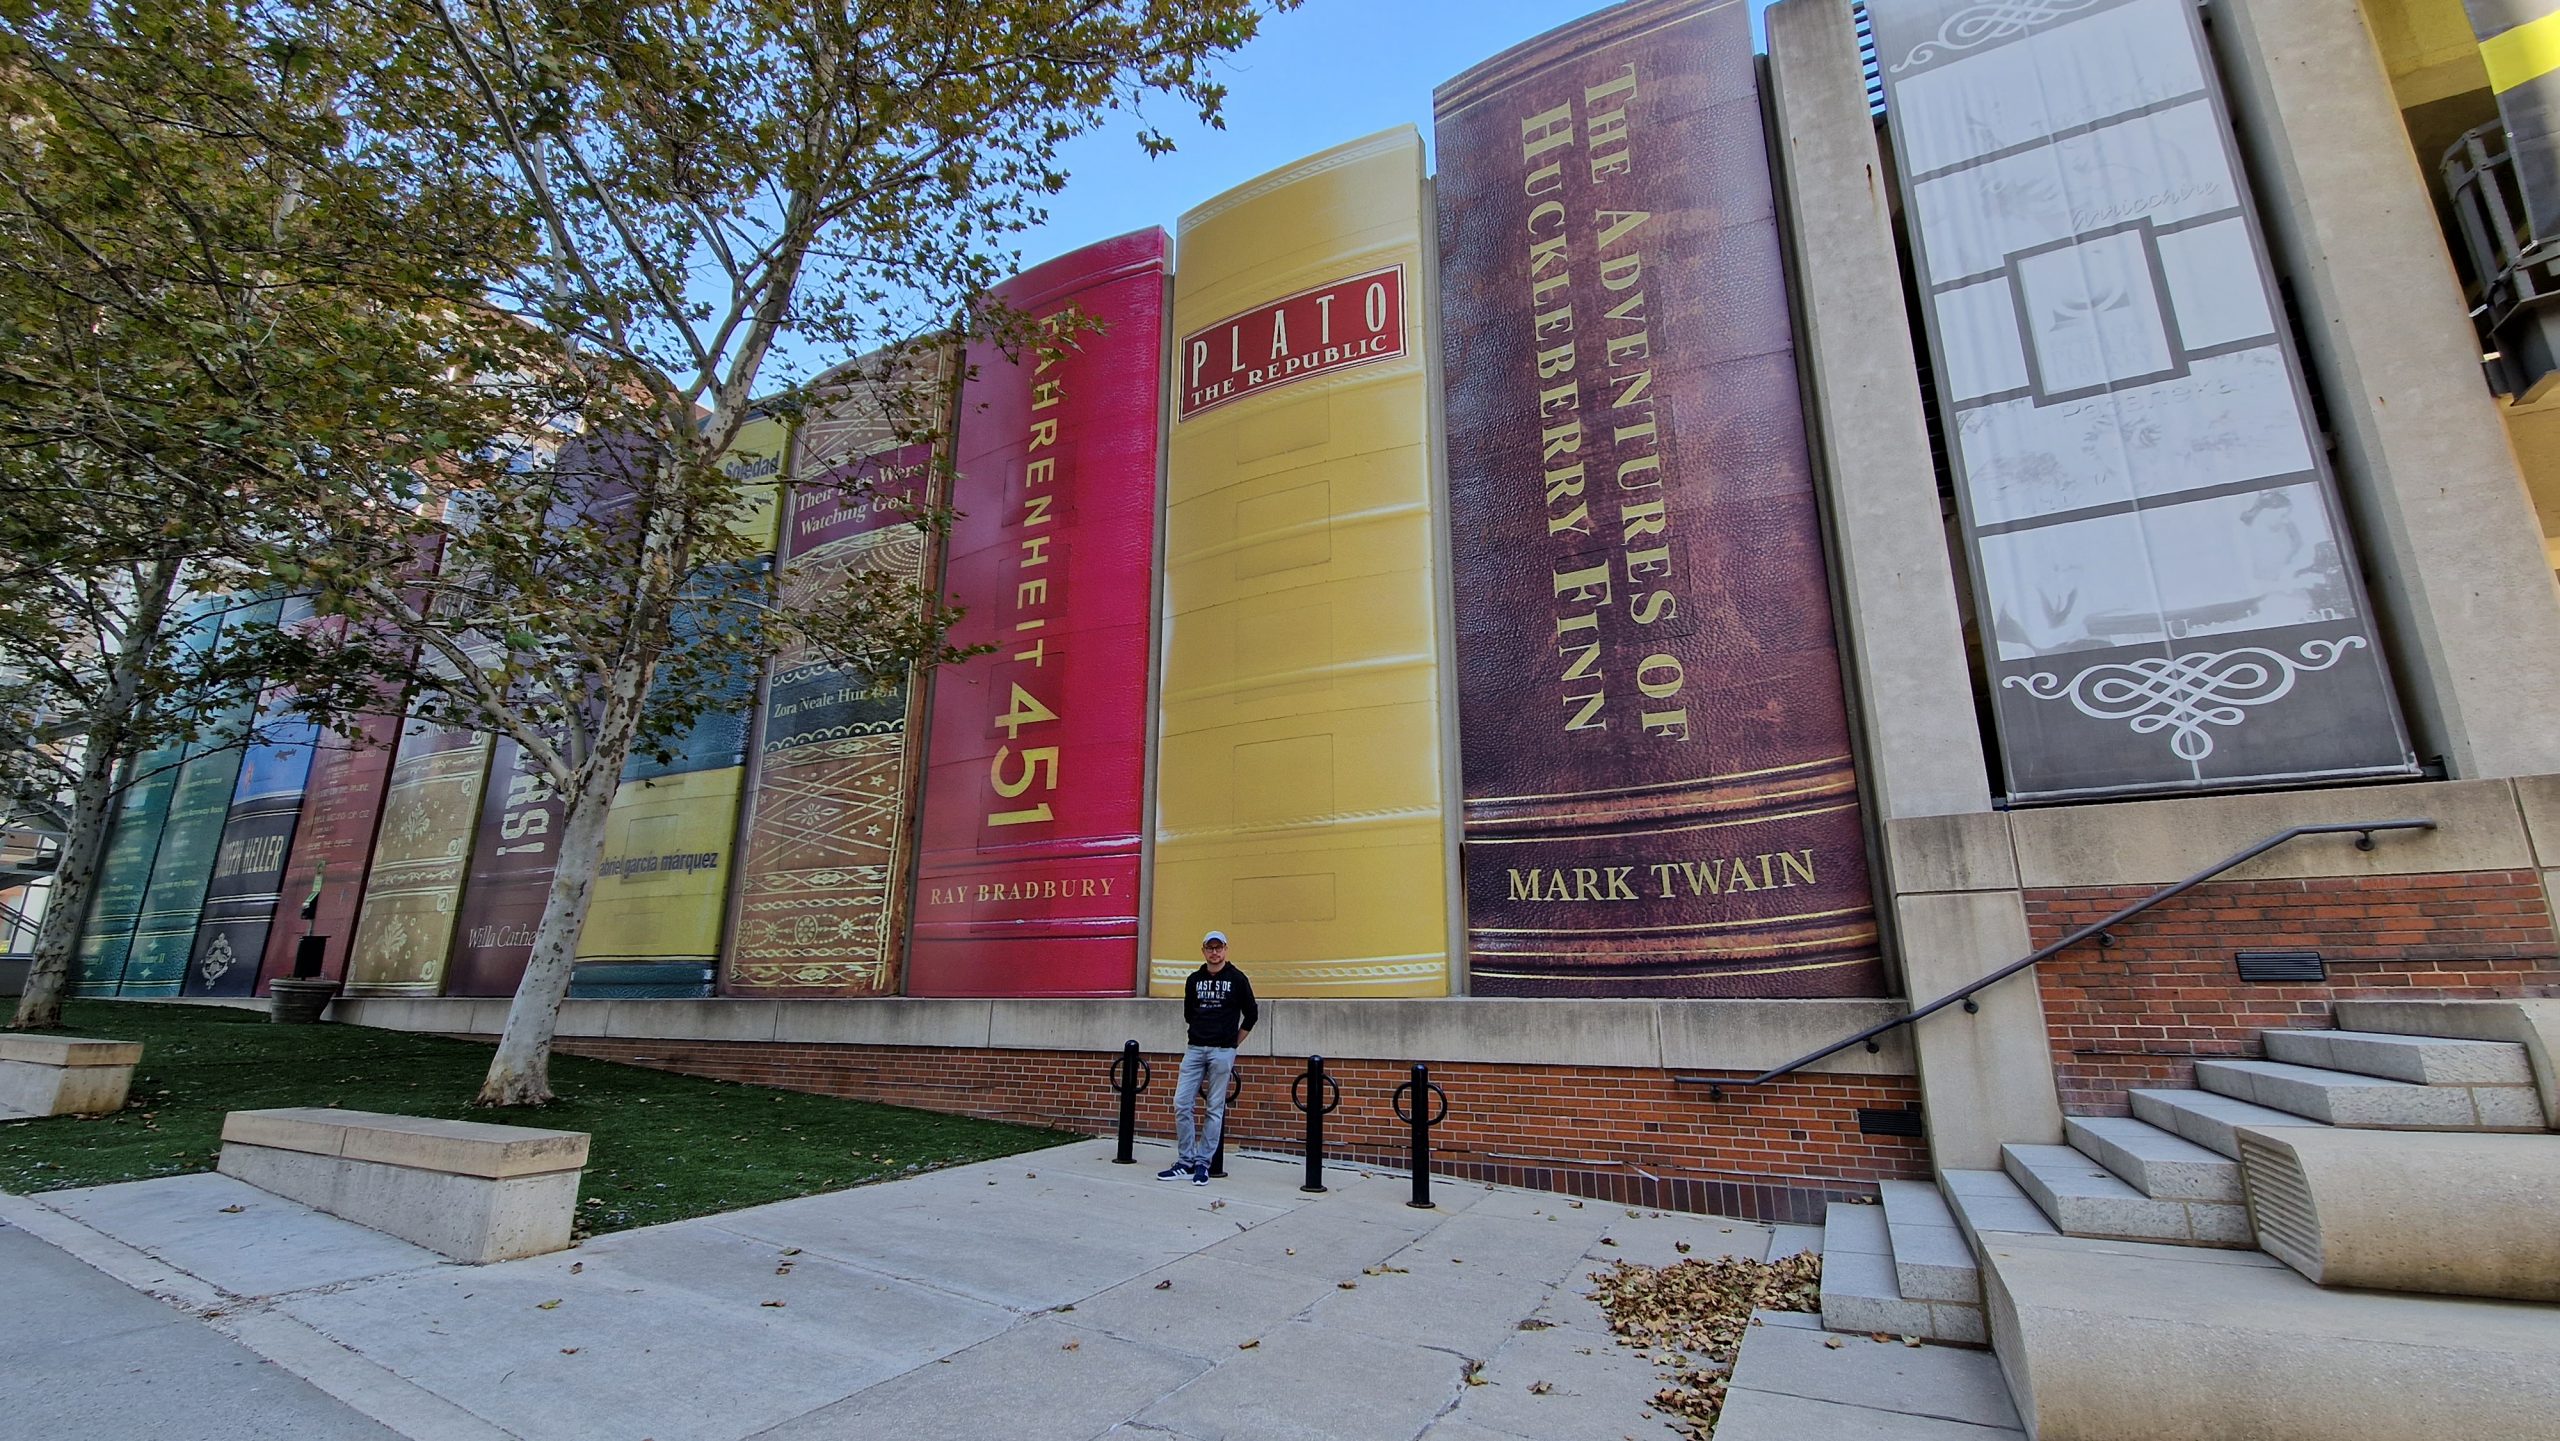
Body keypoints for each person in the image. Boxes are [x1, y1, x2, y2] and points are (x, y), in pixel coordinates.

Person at [1160, 929, 1257, 1186]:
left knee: (1214, 1108)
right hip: (1195, 1049)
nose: (1215, 952)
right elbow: (1188, 1013)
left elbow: (1252, 1014)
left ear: (1226, 949)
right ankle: (1185, 1161)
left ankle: (1203, 1163)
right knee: (1182, 1103)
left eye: (1219, 947)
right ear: (1203, 951)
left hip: (1222, 1051)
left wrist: (1233, 1043)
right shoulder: (1193, 980)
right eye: (1210, 948)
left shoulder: (1237, 979)